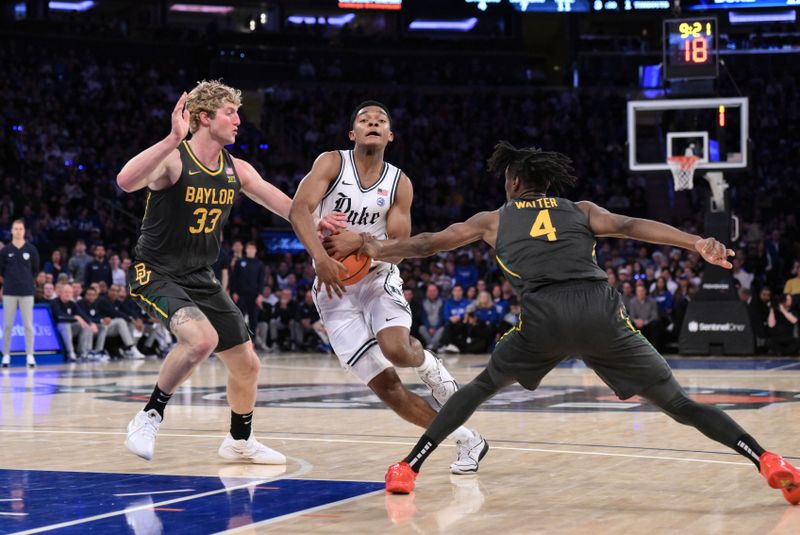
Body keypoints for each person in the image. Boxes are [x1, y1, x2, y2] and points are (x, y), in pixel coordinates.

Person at [350, 140, 800, 504]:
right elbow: (630, 225)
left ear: (514, 181)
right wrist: (696, 242)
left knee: (479, 388)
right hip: (599, 310)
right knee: (680, 404)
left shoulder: (493, 219)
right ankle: (767, 459)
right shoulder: (580, 209)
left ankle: (408, 467)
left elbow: (429, 243)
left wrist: (373, 247)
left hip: (543, 316)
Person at [116, 80, 343, 463]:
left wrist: (316, 221)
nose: (238, 120)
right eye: (229, 112)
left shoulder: (237, 169)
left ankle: (239, 441)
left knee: (247, 363)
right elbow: (125, 181)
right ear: (204, 118)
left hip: (200, 275)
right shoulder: (175, 159)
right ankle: (149, 415)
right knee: (200, 340)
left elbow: (285, 206)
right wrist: (172, 137)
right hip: (156, 272)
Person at [291, 101, 485, 474]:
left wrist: (359, 242)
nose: (373, 123)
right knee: (390, 391)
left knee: (396, 349)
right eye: (365, 120)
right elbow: (299, 209)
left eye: (381, 121)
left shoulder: (400, 183)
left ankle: (428, 365)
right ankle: (467, 438)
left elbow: (398, 249)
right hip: (332, 287)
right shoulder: (332, 163)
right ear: (353, 133)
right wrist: (321, 257)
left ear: (390, 135)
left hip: (377, 275)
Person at [0, 220, 39, 367]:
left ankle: (30, 355)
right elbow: (1, 271)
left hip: (27, 292)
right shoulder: (5, 251)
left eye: (20, 229)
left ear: (24, 231)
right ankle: (6, 356)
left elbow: (35, 270)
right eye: (15, 229)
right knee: (8, 325)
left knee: (28, 325)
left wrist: (27, 281)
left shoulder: (31, 249)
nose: (18, 231)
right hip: (9, 291)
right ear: (11, 231)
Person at [230, 241, 264, 340]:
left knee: (253, 319)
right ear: (246, 250)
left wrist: (260, 294)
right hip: (241, 294)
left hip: (254, 295)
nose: (251, 250)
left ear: (255, 250)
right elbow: (234, 278)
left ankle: (252, 341)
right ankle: (239, 340)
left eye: (252, 249)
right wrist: (234, 292)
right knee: (240, 318)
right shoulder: (240, 262)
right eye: (249, 248)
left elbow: (261, 280)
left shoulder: (259, 264)